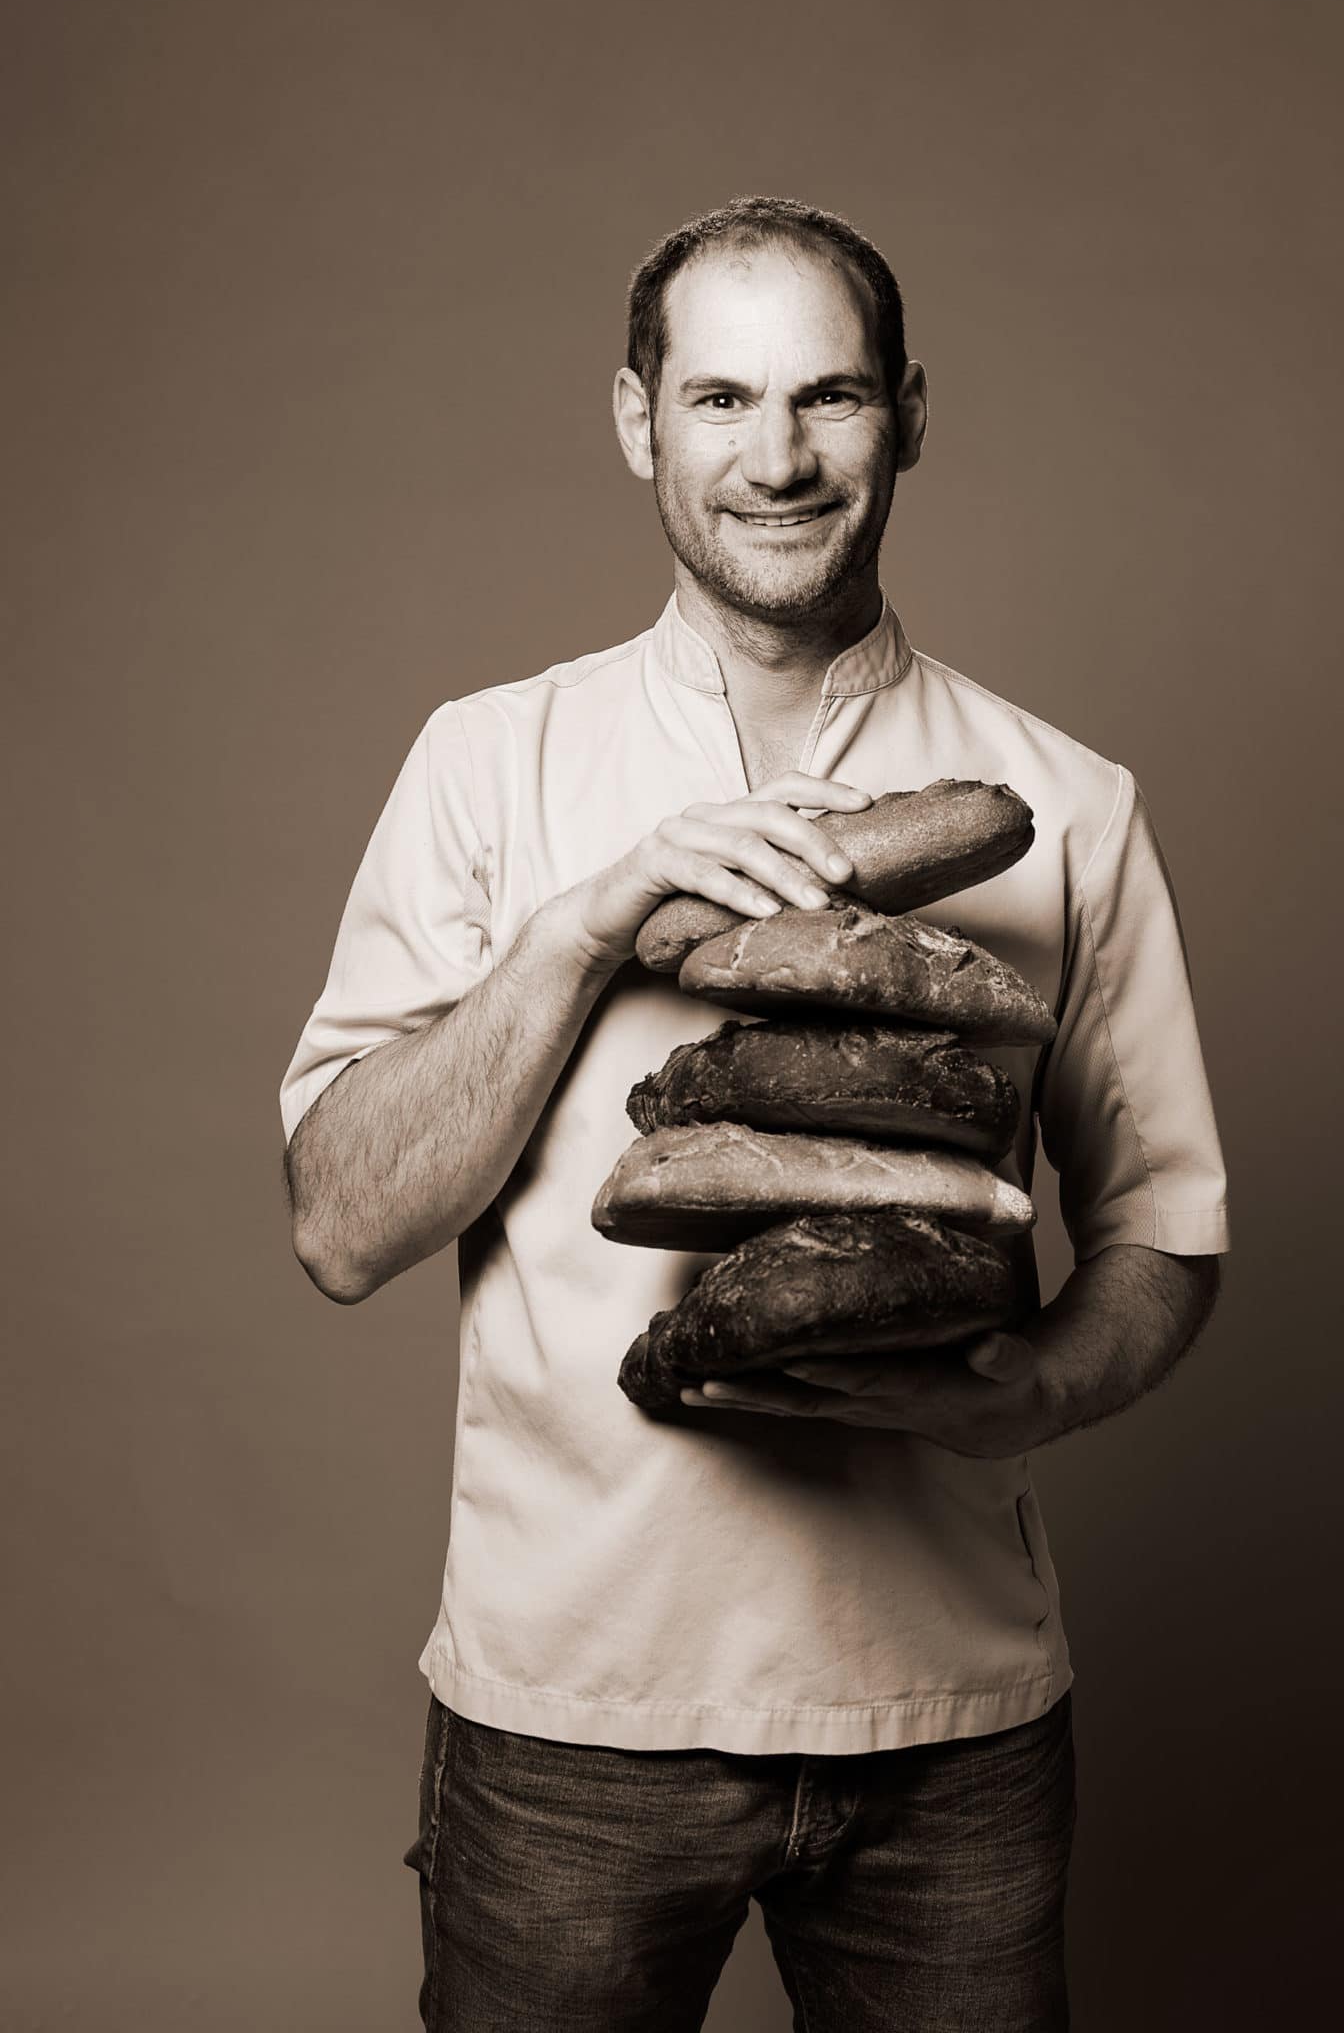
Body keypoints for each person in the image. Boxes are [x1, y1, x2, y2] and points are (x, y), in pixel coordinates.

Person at [279, 195, 1230, 2032]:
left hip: (947, 1720)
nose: (778, 457)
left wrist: (1035, 1386)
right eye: (719, 400)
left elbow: (1165, 1231)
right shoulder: (493, 765)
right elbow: (338, 1227)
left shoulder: (1062, 803)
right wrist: (584, 928)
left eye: (831, 399)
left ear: (909, 417)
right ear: (638, 422)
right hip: (568, 1719)